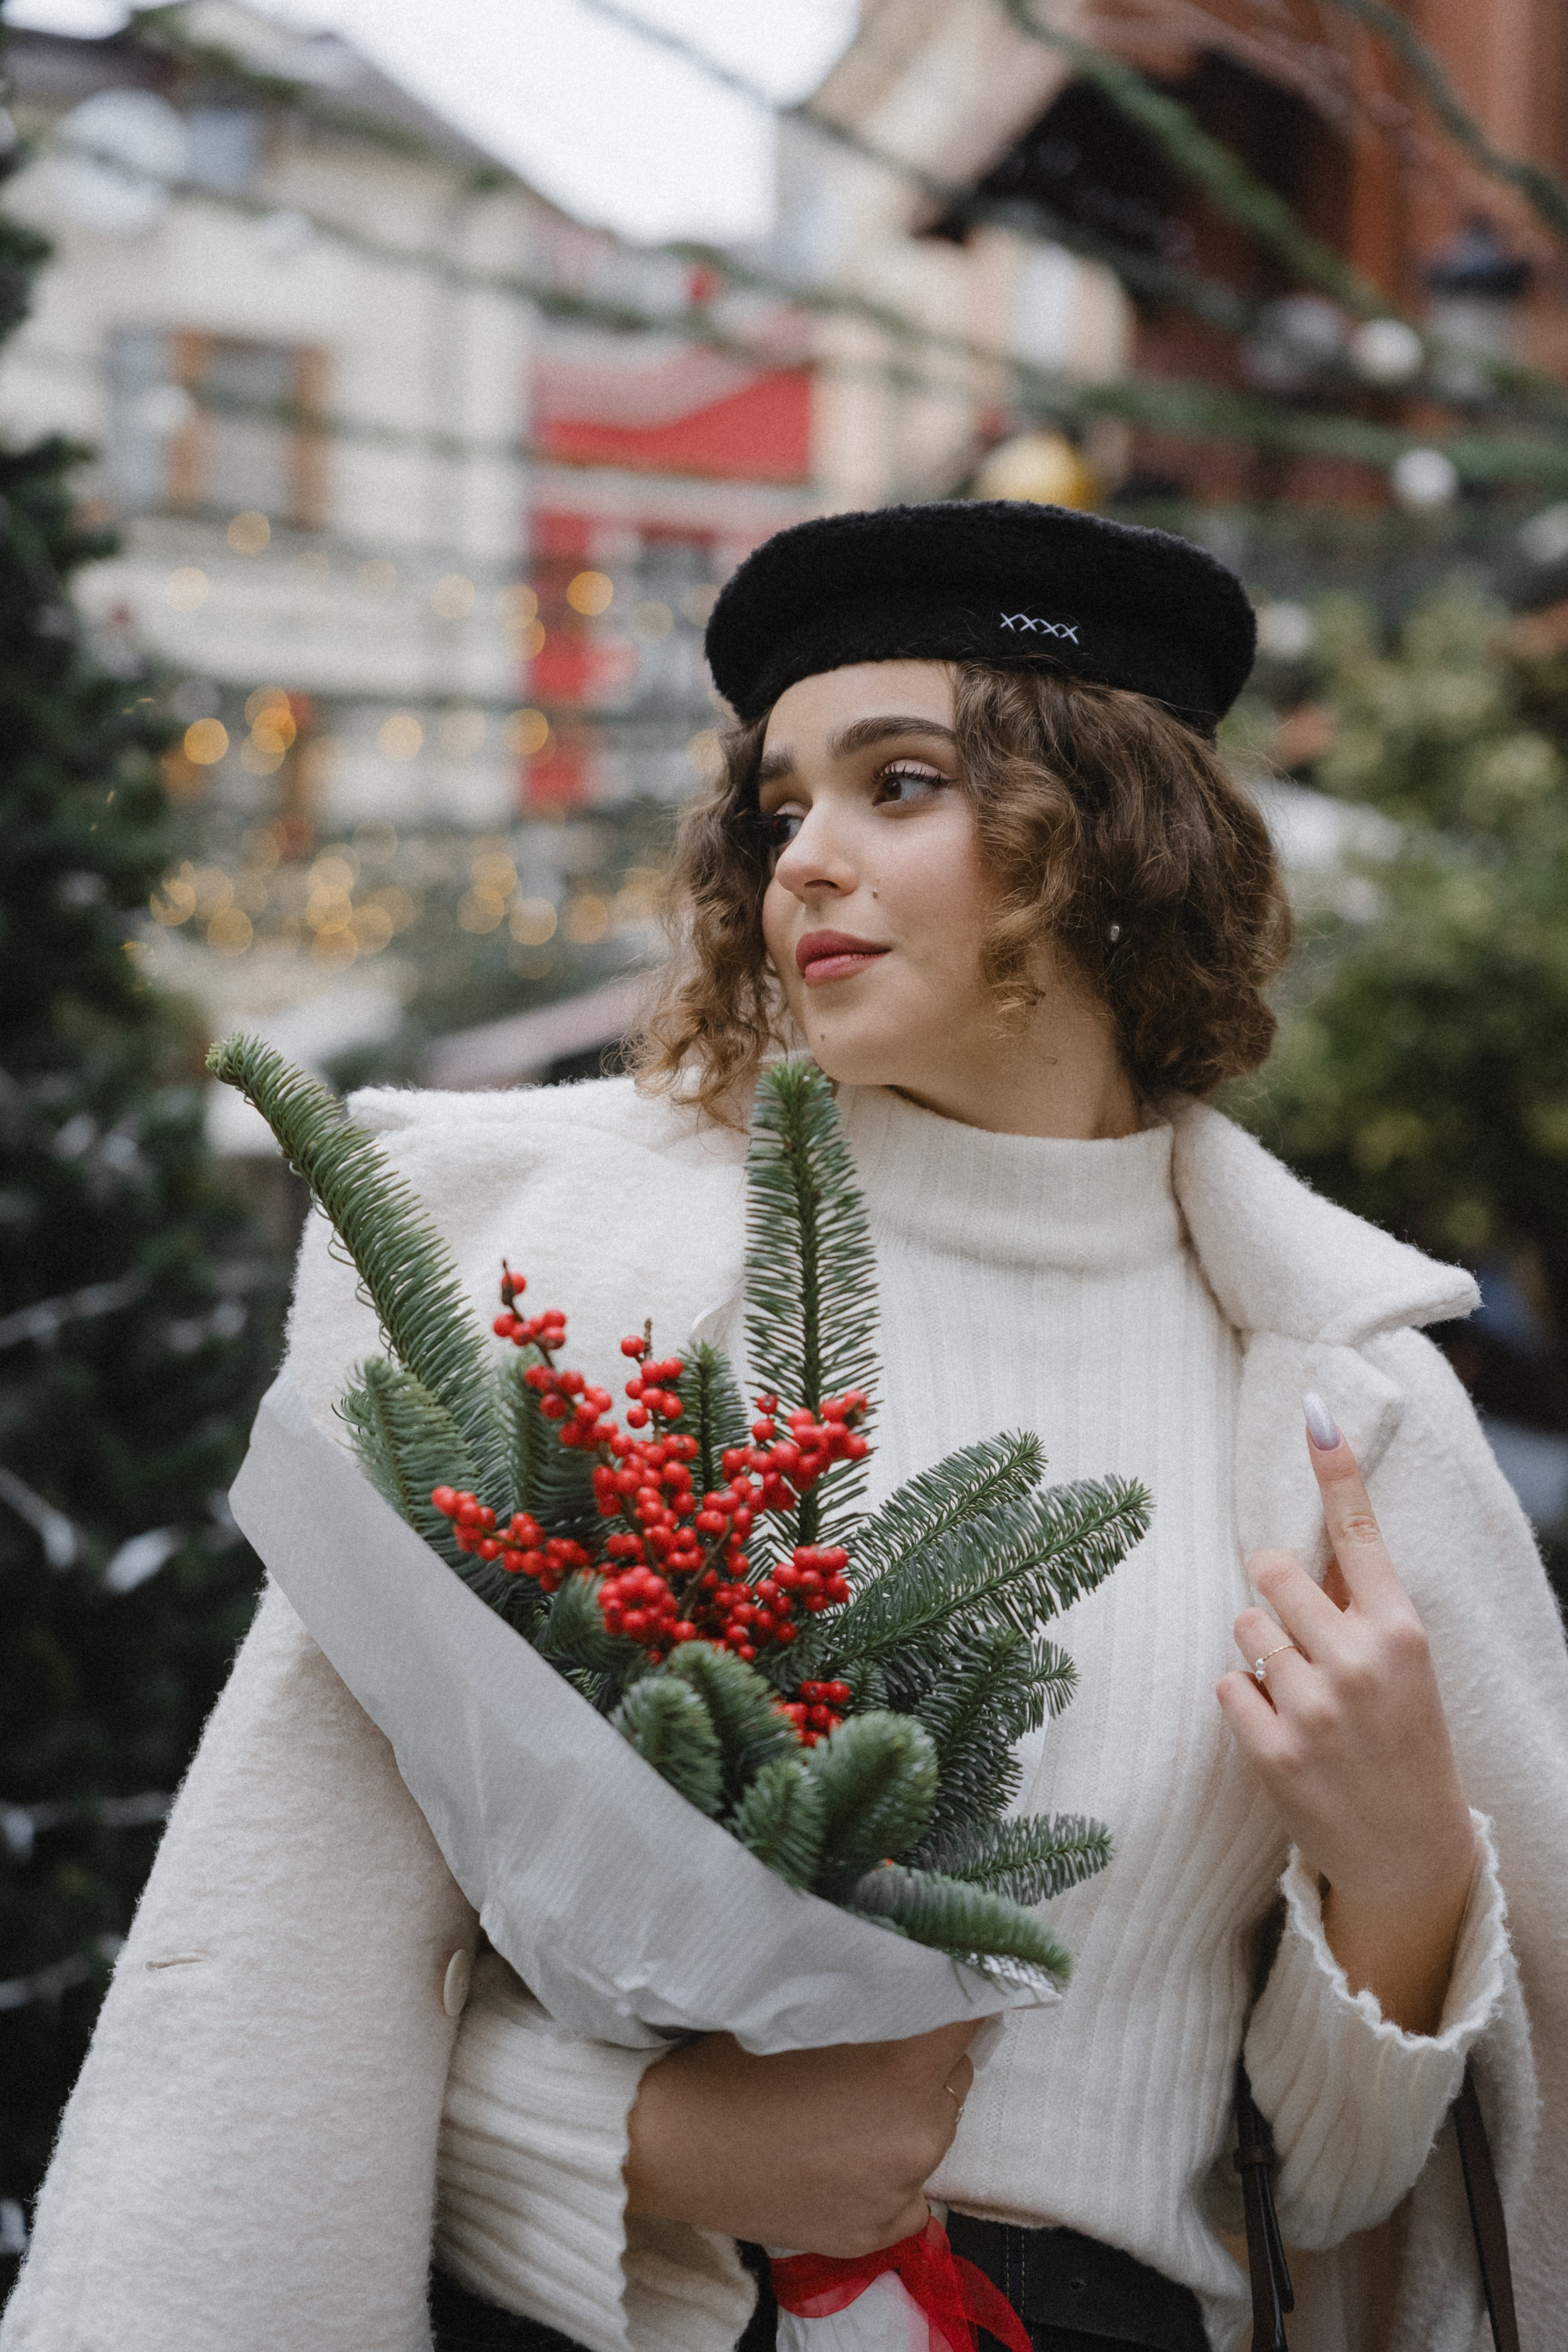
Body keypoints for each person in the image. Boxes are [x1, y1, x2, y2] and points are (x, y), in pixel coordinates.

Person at [5, 502, 1566, 2352]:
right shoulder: (572, 1284)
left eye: (899, 784)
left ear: (1110, 832)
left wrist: (1401, 1873)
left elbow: (1344, 2205)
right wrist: (646, 2142)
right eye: (779, 809)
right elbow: (298, 1995)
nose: (807, 858)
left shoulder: (1342, 1403)